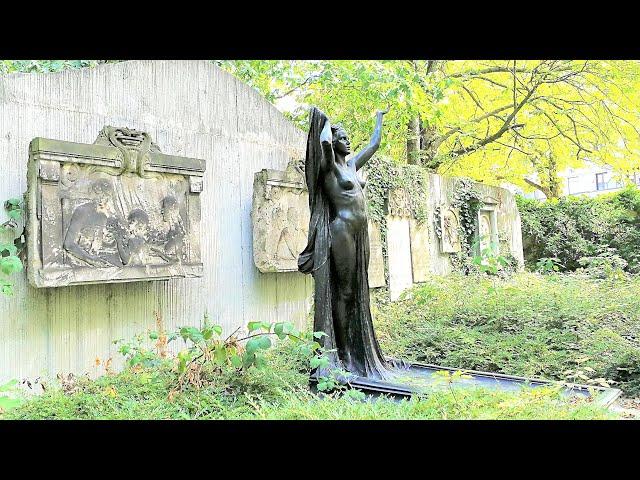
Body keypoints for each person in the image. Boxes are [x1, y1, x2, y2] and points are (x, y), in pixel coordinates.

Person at [298, 106, 392, 380]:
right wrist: (326, 122)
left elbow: (374, 144)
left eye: (349, 138)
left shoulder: (351, 165)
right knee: (345, 291)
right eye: (344, 138)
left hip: (360, 232)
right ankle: (343, 353)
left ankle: (356, 348)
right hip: (341, 231)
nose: (348, 142)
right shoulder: (328, 167)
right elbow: (324, 141)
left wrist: (378, 118)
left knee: (357, 291)